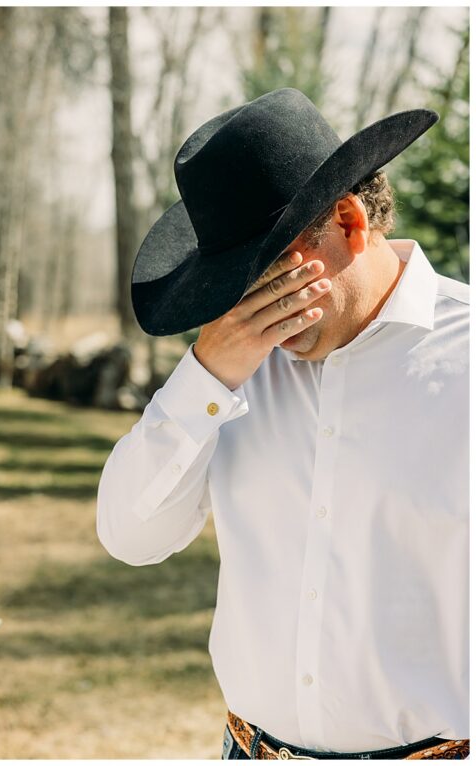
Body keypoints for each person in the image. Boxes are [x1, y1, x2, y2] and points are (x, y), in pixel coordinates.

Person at [97, 89, 468, 759]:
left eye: (265, 273)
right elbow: (130, 536)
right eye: (230, 284)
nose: (246, 306)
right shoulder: (229, 373)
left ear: (351, 223)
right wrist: (203, 379)